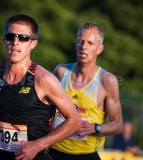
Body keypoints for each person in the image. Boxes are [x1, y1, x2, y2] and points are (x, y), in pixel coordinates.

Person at [0, 13, 81, 160]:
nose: (15, 42)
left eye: (23, 38)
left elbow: (75, 121)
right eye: (10, 37)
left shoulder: (44, 79)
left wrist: (38, 145)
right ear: (4, 41)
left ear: (33, 43)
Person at [49, 22, 123, 160]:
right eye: (80, 41)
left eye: (90, 43)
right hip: (54, 152)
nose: (84, 47)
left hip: (86, 155)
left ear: (99, 49)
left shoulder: (107, 81)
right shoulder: (60, 72)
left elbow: (118, 125)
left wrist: (95, 128)